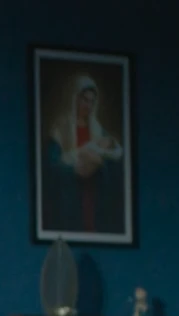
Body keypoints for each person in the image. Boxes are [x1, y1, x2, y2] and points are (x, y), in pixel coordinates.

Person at [42, 74, 125, 234]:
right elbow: (50, 167)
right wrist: (73, 170)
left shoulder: (98, 130)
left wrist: (98, 165)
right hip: (70, 193)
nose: (88, 105)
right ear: (75, 99)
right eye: (84, 100)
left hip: (93, 191)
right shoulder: (61, 128)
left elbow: (112, 157)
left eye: (92, 101)